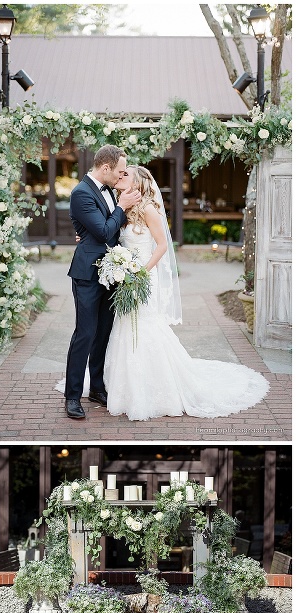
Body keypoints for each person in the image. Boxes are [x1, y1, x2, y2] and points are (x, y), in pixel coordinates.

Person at [104, 165, 269, 420]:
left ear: (137, 183)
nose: (120, 176)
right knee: (126, 326)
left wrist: (141, 272)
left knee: (146, 326)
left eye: (126, 174)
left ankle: (159, 389)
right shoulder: (121, 208)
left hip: (144, 277)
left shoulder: (149, 208)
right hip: (126, 277)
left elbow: (161, 246)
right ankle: (125, 389)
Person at [63, 145, 142, 419]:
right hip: (87, 274)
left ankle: (97, 387)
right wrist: (121, 207)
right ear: (105, 168)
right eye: (120, 171)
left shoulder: (109, 191)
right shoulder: (81, 193)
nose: (122, 176)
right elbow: (104, 230)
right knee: (84, 334)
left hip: (112, 274)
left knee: (103, 334)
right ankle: (72, 396)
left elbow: (111, 232)